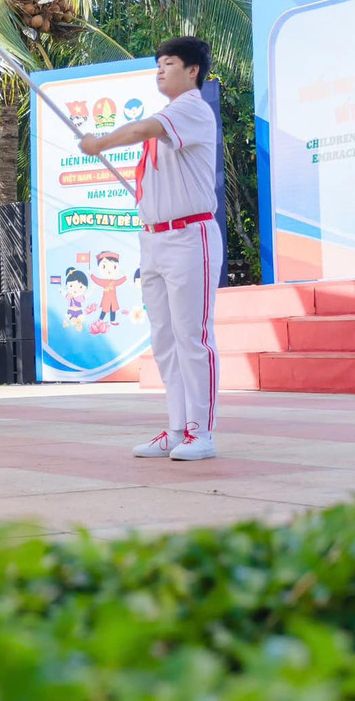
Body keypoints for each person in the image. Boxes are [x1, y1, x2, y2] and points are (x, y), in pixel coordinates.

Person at [81, 36, 221, 461]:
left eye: (169, 63)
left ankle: (202, 432)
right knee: (164, 337)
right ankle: (177, 428)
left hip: (189, 235)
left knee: (192, 336)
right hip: (155, 236)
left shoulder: (192, 108)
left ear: (192, 70)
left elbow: (143, 129)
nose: (160, 70)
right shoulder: (169, 113)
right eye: (157, 64)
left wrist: (98, 143)